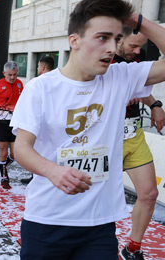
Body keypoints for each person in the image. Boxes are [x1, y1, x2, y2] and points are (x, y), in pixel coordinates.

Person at [11, 0, 165, 258]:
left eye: (116, 39)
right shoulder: (41, 87)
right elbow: (21, 148)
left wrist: (136, 21)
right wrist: (53, 171)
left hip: (98, 225)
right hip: (47, 220)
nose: (111, 48)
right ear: (75, 40)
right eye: (102, 38)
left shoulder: (120, 77)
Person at [113, 28, 164, 260]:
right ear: (118, 39)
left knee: (149, 193)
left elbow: (141, 87)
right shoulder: (102, 59)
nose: (137, 51)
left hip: (133, 133)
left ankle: (132, 248)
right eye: (133, 46)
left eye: (140, 47)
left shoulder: (135, 59)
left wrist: (154, 104)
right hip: (106, 138)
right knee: (90, 196)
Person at [0, 61, 23, 189]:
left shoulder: (19, 84)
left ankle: (2, 166)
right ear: (4, 73)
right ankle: (4, 177)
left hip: (14, 121)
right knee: (3, 151)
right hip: (0, 121)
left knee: (15, 154)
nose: (13, 77)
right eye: (10, 75)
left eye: (15, 74)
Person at [20, 56, 54, 185]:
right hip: (53, 121)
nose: (38, 68)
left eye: (38, 66)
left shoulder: (37, 83)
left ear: (43, 67)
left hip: (41, 121)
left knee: (37, 149)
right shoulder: (58, 82)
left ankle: (37, 175)